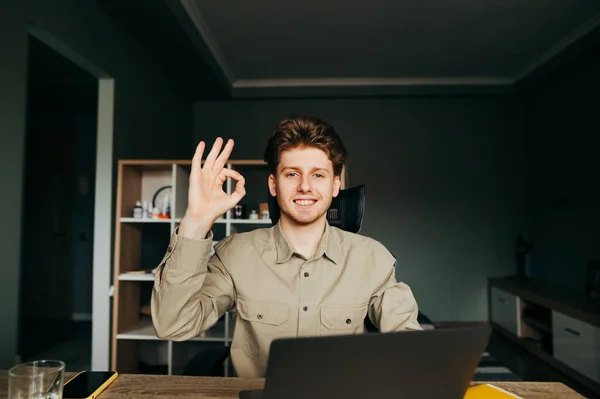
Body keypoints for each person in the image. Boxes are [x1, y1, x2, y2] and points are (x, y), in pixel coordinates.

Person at [151, 115, 422, 378]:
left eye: (318, 175)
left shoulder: (372, 258)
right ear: (273, 184)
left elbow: (410, 344)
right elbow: (172, 326)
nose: (305, 186)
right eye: (292, 174)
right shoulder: (235, 254)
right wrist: (195, 223)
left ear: (336, 184)